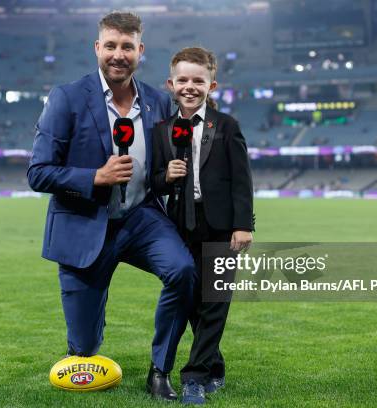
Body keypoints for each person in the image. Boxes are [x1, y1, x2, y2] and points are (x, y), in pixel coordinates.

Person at [27, 12, 194, 401]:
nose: (119, 55)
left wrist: (169, 175)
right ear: (97, 48)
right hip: (85, 224)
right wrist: (94, 178)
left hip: (141, 219)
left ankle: (160, 369)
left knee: (184, 270)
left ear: (141, 50)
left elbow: (164, 169)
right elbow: (38, 173)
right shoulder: (67, 98)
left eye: (128, 47)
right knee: (85, 350)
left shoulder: (156, 102)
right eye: (111, 46)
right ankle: (82, 344)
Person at [151, 47, 255, 404]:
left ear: (213, 84)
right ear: (171, 84)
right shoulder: (162, 130)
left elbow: (242, 181)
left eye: (199, 80)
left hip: (223, 229)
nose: (190, 87)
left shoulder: (226, 126)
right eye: (183, 80)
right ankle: (215, 366)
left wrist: (244, 225)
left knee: (216, 301)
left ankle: (193, 377)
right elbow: (153, 181)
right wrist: (165, 176)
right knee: (194, 302)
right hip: (181, 227)